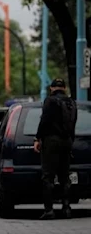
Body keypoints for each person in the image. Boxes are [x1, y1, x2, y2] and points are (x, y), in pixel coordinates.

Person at [34, 78, 77, 220]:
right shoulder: (71, 102)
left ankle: (49, 210)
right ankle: (66, 207)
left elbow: (44, 120)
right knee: (65, 176)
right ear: (64, 88)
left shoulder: (50, 101)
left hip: (51, 141)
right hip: (67, 141)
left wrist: (37, 138)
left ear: (52, 88)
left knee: (48, 176)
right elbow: (73, 123)